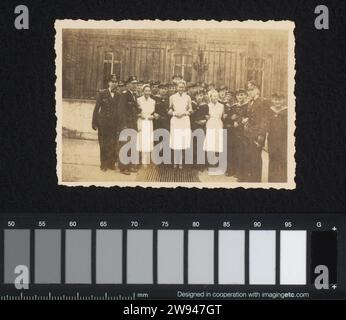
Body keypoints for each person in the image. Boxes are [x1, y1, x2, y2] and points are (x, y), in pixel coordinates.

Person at [92, 74, 119, 171]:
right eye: (112, 81)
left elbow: (119, 110)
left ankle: (111, 164)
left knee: (112, 144)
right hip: (103, 123)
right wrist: (94, 122)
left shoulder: (118, 94)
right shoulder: (102, 93)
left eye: (116, 82)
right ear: (109, 83)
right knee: (103, 144)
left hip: (113, 124)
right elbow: (96, 108)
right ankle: (103, 164)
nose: (114, 83)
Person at [243, 82, 270, 182]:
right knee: (250, 156)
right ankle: (251, 178)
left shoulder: (262, 101)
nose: (249, 92)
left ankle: (256, 180)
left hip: (257, 134)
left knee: (256, 157)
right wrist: (246, 120)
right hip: (249, 132)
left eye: (252, 89)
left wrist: (261, 136)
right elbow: (251, 116)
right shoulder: (250, 102)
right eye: (248, 90)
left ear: (257, 90)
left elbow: (265, 120)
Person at [224, 89, 249, 179]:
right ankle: (232, 170)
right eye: (238, 95)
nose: (240, 97)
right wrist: (232, 118)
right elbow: (231, 117)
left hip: (243, 131)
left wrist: (240, 120)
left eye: (242, 95)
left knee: (242, 151)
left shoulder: (248, 105)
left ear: (245, 95)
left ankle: (241, 172)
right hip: (234, 131)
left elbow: (248, 117)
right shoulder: (235, 106)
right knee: (233, 150)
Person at [117, 75, 140, 175]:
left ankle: (129, 165)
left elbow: (135, 109)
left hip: (133, 123)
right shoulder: (124, 94)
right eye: (133, 83)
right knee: (125, 145)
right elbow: (121, 111)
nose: (135, 85)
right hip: (126, 124)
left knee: (132, 145)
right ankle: (123, 167)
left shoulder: (133, 95)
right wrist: (124, 125)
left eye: (136, 84)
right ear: (128, 84)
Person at [169, 80, 192, 169]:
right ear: (176, 87)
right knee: (176, 142)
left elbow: (190, 109)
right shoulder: (172, 97)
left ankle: (181, 163)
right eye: (179, 87)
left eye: (182, 87)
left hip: (184, 120)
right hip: (176, 120)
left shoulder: (188, 97)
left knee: (182, 141)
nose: (181, 89)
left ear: (184, 88)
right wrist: (175, 114)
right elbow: (170, 109)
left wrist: (184, 113)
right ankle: (175, 162)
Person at [268, 93, 288, 182]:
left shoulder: (286, 111)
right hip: (272, 139)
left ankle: (283, 180)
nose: (278, 102)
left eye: (280, 100)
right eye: (276, 99)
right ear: (273, 100)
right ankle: (272, 180)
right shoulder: (269, 111)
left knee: (283, 159)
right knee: (272, 158)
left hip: (284, 140)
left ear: (283, 100)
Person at [137, 85, 158, 167]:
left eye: (149, 91)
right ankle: (141, 161)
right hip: (141, 122)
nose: (147, 93)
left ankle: (146, 161)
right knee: (141, 141)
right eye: (146, 91)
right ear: (143, 91)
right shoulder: (138, 100)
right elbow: (137, 112)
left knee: (148, 141)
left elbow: (153, 113)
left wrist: (153, 116)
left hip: (149, 122)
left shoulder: (153, 101)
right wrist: (140, 115)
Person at [203, 90, 225, 169]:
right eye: (213, 96)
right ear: (210, 97)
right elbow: (206, 116)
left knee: (217, 142)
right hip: (210, 124)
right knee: (210, 142)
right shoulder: (207, 106)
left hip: (218, 124)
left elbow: (223, 116)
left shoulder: (222, 106)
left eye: (216, 96)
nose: (215, 97)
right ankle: (210, 162)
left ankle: (216, 161)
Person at [191, 90, 208, 171]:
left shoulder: (205, 105)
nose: (199, 97)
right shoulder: (192, 104)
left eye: (201, 96)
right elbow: (191, 115)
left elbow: (207, 115)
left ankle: (200, 165)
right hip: (194, 126)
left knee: (201, 145)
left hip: (201, 127)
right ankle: (193, 164)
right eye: (198, 96)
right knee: (194, 144)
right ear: (195, 96)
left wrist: (204, 120)